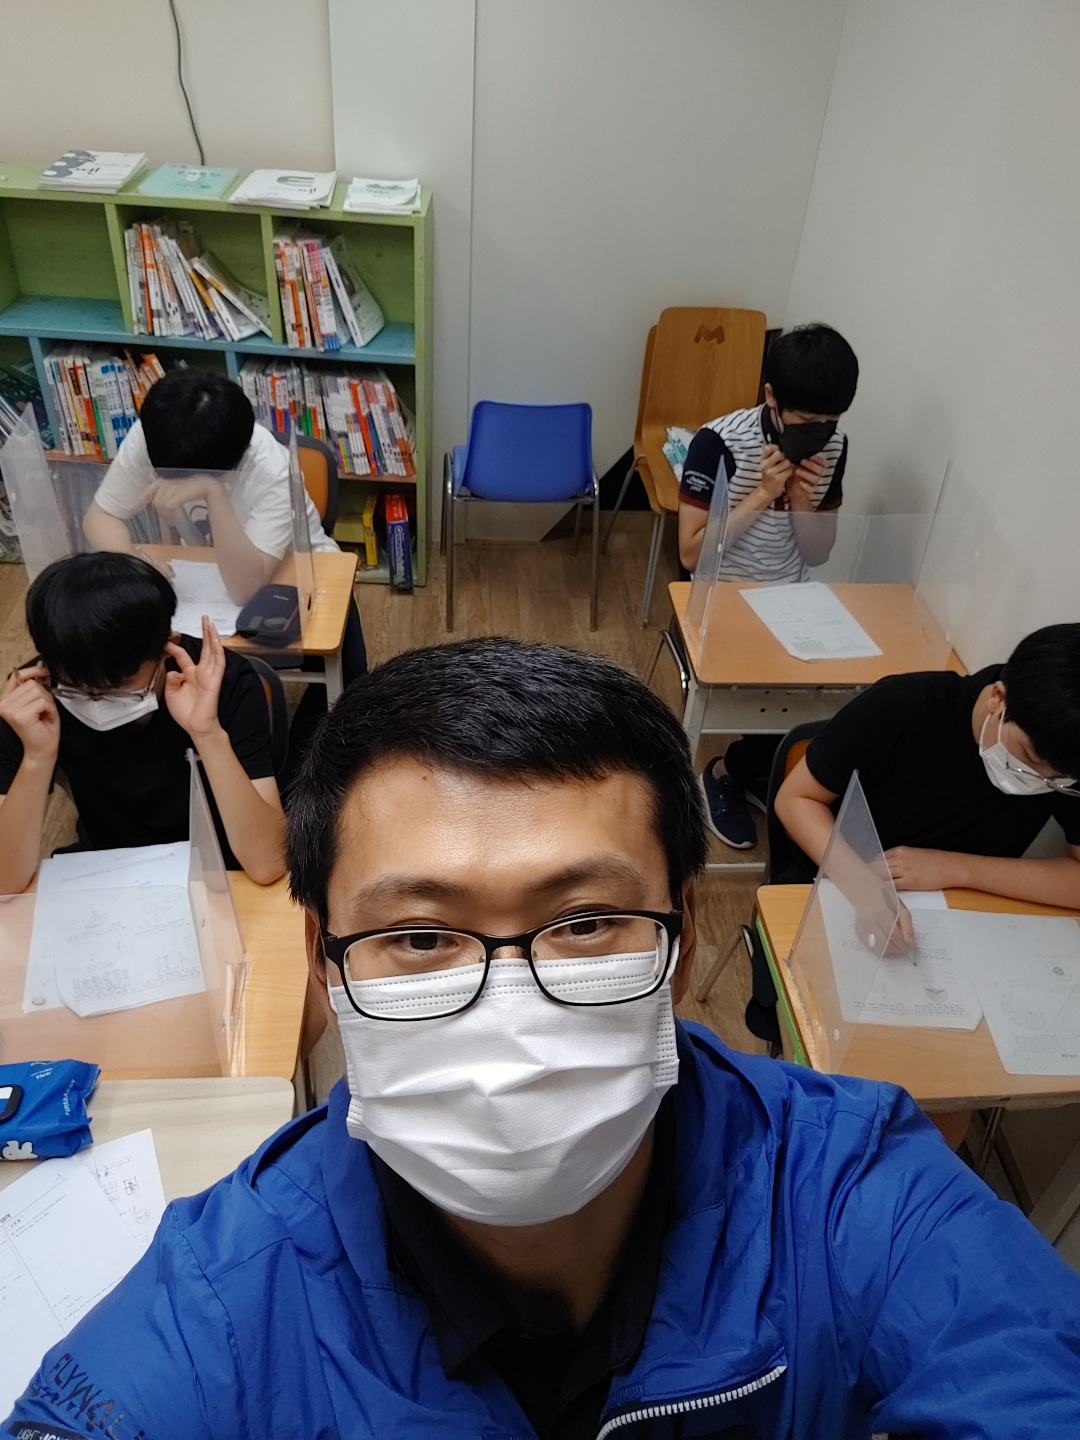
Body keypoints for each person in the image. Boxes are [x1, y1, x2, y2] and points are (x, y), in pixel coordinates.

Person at [6, 637, 1078, 1440]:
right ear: (325, 966)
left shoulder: (846, 1186)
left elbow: (1018, 1362)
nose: (509, 1007)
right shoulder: (222, 1298)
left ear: (681, 937)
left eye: (586, 922)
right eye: (418, 935)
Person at [0, 552, 285, 890]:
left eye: (118, 688)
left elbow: (267, 863)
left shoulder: (222, 682)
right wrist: (36, 757)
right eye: (78, 689)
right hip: (109, 870)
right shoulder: (36, 698)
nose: (96, 700)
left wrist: (206, 732)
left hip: (221, 868)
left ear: (168, 647)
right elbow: (5, 881)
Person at [677, 323, 859, 850]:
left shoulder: (835, 445)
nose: (817, 434)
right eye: (805, 424)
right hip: (721, 595)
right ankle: (724, 775)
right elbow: (691, 553)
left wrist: (801, 501)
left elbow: (818, 552)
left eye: (828, 423)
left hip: (791, 594)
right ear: (771, 397)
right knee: (765, 703)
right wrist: (760, 494)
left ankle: (749, 770)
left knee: (831, 709)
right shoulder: (717, 442)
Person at [774, 623, 1080, 912]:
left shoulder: (1069, 754)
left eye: (1061, 779)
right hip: (837, 880)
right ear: (999, 699)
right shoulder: (905, 705)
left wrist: (957, 869)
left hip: (963, 907)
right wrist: (865, 890)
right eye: (1029, 757)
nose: (1042, 780)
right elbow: (797, 799)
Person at [82, 369, 338, 604]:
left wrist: (212, 492)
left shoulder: (273, 470)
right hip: (206, 575)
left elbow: (245, 590)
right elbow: (101, 517)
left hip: (299, 575)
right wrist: (135, 565)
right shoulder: (157, 434)